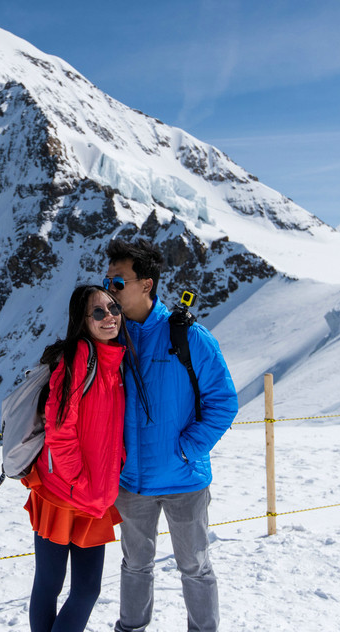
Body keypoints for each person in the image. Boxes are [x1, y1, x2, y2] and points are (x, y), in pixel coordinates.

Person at [103, 239, 238, 632]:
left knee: (195, 566)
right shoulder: (112, 338)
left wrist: (188, 449)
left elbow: (224, 401)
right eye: (108, 280)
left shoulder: (189, 336)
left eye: (118, 282)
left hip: (183, 479)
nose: (110, 289)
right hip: (132, 482)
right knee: (134, 566)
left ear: (146, 285)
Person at [22, 284, 132, 632]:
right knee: (54, 585)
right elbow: (59, 427)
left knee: (84, 589)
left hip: (92, 495)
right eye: (98, 312)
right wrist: (77, 479)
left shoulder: (114, 361)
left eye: (113, 308)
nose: (109, 317)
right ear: (82, 321)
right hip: (63, 493)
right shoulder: (80, 356)